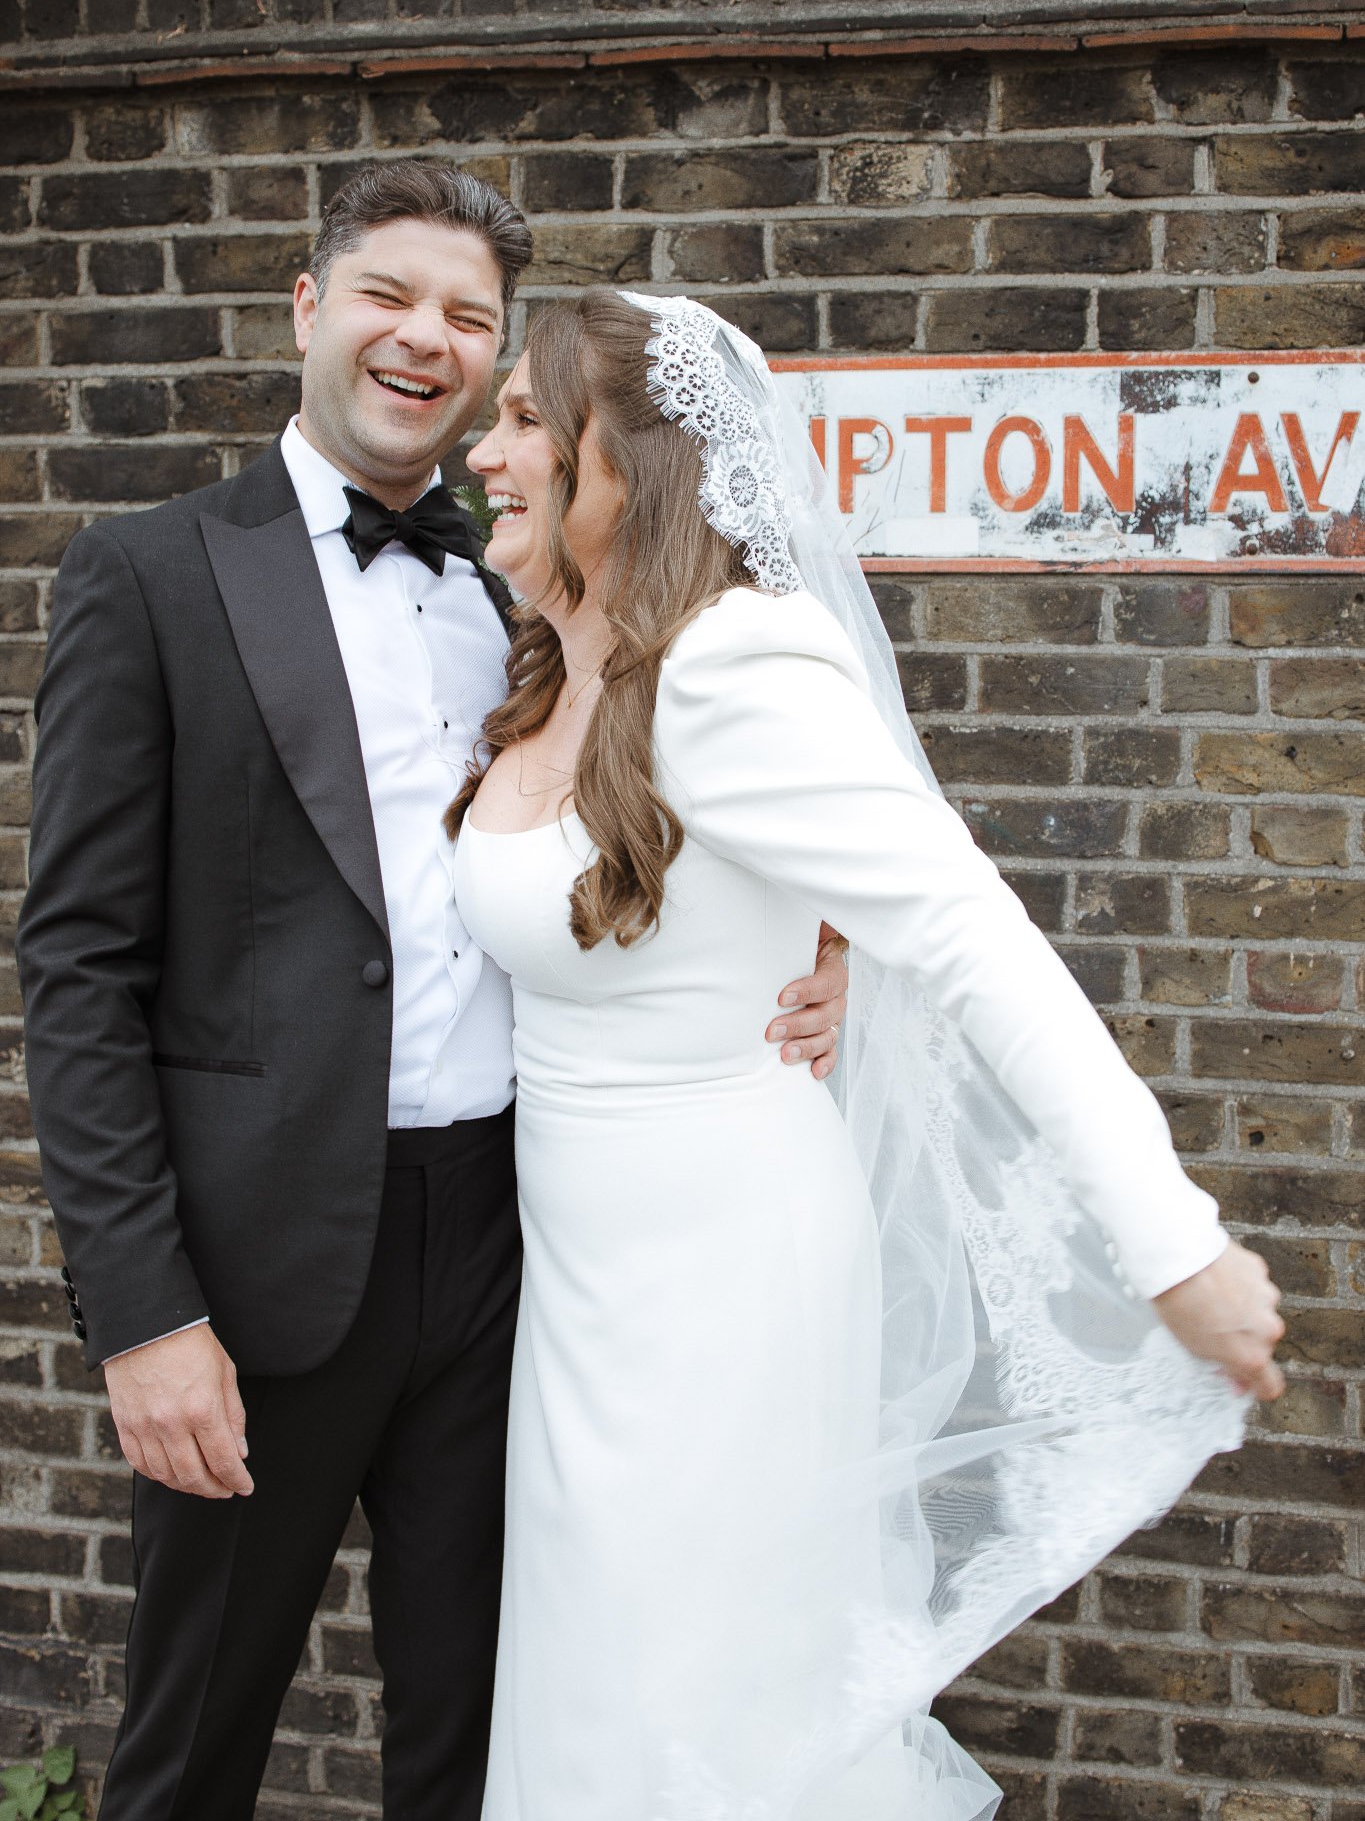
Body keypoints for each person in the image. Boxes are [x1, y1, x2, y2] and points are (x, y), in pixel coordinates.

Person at [15, 166, 847, 1821]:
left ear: (492, 372)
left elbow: (688, 819)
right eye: (390, 295)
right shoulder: (151, 576)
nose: (427, 338)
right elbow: (78, 969)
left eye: (469, 317)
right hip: (256, 1272)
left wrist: (823, 958)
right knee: (192, 1742)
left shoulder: (526, 592)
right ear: (307, 310)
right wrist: (145, 1313)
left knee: (478, 1731)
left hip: (514, 1242)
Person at [451, 287, 1286, 1821]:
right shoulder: (557, 667)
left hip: (724, 1285)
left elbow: (970, 939)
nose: (482, 446)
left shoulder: (731, 665)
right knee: (598, 1697)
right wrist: (808, 948)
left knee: (704, 1712)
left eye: (521, 418)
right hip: (578, 1289)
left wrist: (1172, 1245)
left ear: (623, 466)